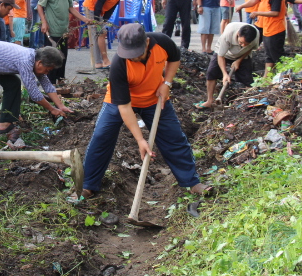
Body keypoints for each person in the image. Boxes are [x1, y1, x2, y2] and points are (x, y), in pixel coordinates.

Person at [81, 23, 210, 199]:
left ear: (147, 43)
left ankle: (192, 183)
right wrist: (140, 140)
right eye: (129, 55)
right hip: (120, 101)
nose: (133, 59)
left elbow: (175, 58)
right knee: (101, 137)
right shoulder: (119, 64)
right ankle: (88, 185)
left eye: (137, 54)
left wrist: (167, 83)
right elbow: (125, 107)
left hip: (154, 98)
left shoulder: (162, 42)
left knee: (174, 138)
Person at [0, 43, 72, 133]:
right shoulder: (25, 61)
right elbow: (34, 94)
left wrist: (60, 106)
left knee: (13, 84)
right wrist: (52, 109)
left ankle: (5, 123)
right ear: (39, 63)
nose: (47, 73)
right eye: (48, 69)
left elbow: (47, 85)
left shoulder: (36, 60)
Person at [37, 0, 92, 84]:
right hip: (52, 29)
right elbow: (40, 6)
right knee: (51, 59)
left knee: (62, 58)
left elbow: (70, 7)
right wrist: (44, 23)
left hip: (64, 29)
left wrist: (84, 19)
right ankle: (49, 85)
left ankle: (60, 82)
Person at [236, 0, 288, 75]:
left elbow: (275, 12)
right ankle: (266, 77)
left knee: (277, 56)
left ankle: (284, 75)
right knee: (268, 54)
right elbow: (254, 0)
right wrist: (242, 5)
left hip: (275, 29)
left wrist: (257, 13)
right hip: (267, 28)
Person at [195, 23, 259, 109]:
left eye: (246, 44)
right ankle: (209, 101)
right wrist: (225, 74)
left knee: (247, 80)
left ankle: (243, 103)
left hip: (242, 55)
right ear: (238, 35)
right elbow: (220, 56)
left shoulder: (255, 36)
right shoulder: (228, 34)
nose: (243, 45)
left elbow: (250, 49)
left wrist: (239, 61)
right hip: (224, 53)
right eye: (241, 42)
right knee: (211, 73)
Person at [82, 0, 137, 68]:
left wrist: (104, 20)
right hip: (91, 6)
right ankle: (100, 62)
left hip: (100, 9)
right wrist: (97, 21)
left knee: (101, 33)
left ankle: (101, 62)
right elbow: (99, 3)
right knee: (98, 33)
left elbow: (111, 8)